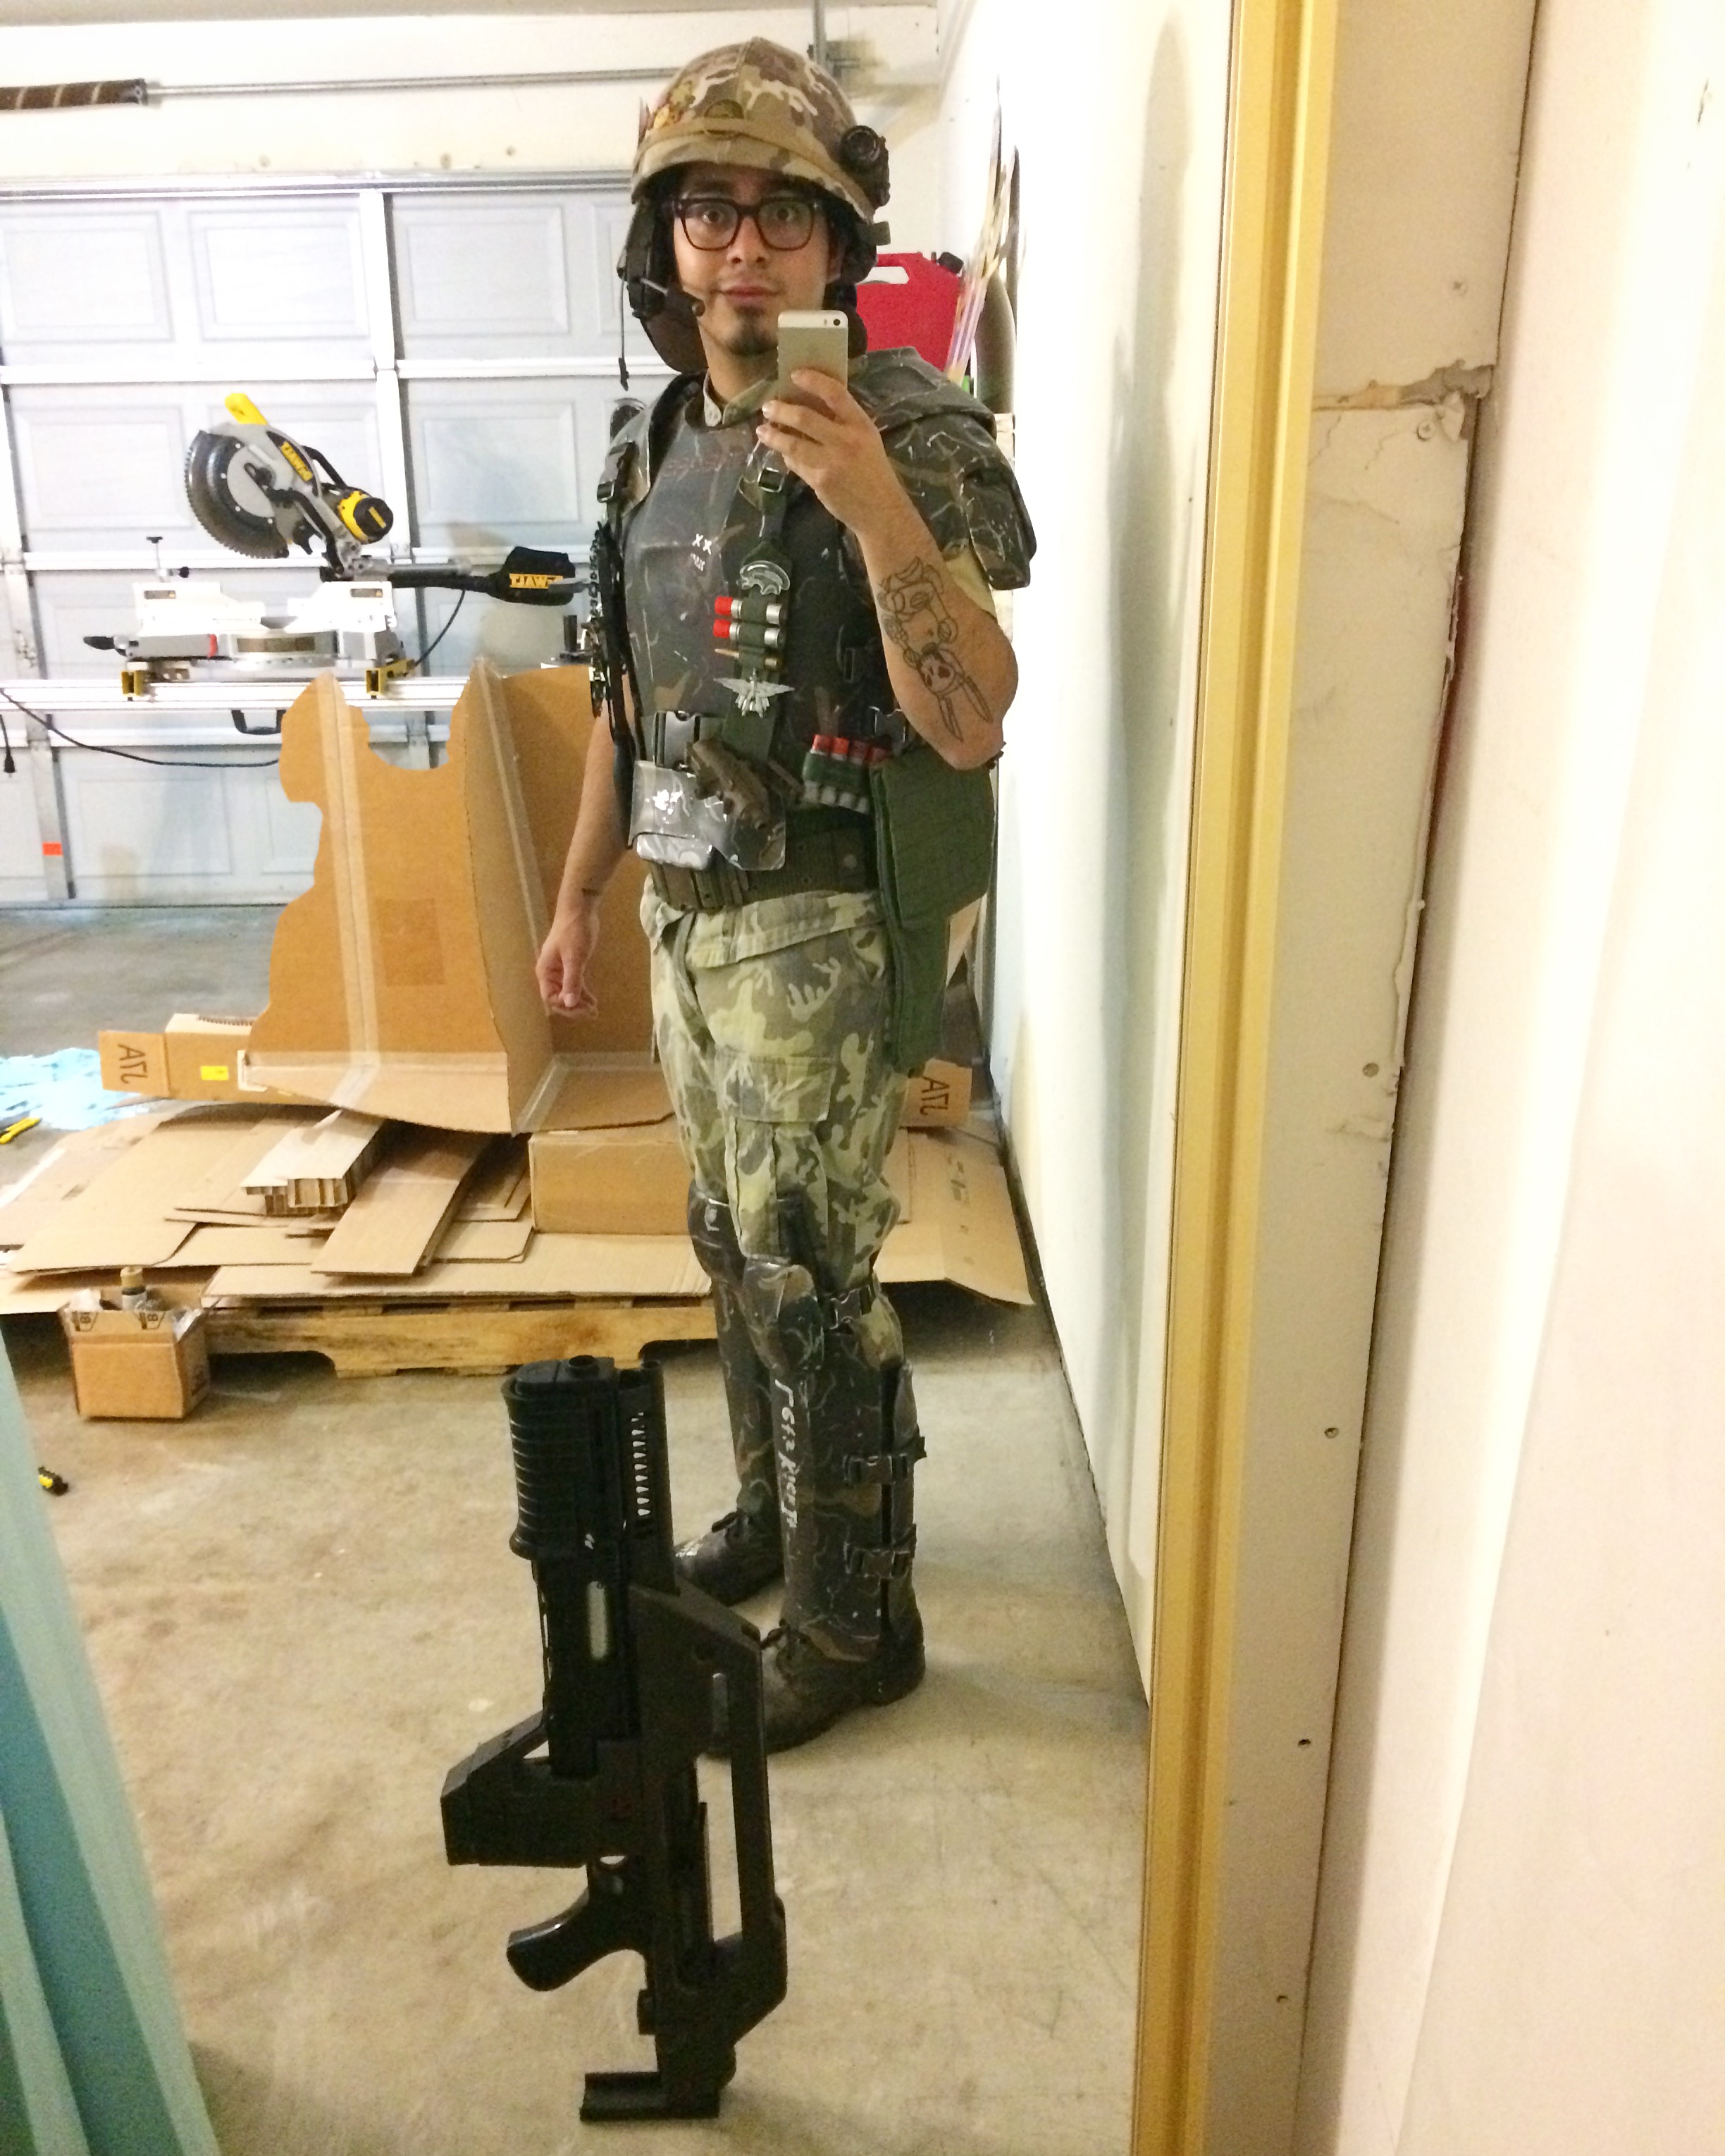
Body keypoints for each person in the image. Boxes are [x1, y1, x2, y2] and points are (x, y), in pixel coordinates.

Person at [535, 37, 1034, 1749]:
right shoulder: (649, 443)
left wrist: (873, 502)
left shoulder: (912, 429)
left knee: (812, 1275)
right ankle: (773, 1514)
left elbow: (972, 718)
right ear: (665, 244)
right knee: (728, 1243)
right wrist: (577, 898)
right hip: (687, 910)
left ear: (839, 242)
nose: (744, 248)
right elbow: (625, 706)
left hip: (823, 912)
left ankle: (857, 1622)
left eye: (782, 214)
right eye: (708, 212)